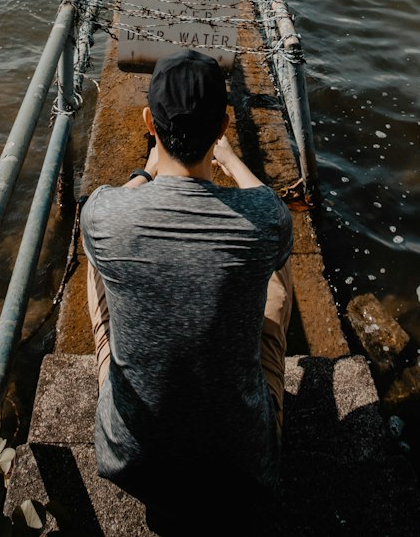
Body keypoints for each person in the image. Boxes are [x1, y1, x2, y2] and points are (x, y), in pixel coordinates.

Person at [80, 48, 294, 528]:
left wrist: (146, 170)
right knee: (277, 275)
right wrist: (232, 162)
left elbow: (106, 208)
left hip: (131, 461)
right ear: (222, 127)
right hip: (241, 468)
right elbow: (266, 201)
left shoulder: (104, 215)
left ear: (148, 123)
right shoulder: (266, 222)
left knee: (98, 264)